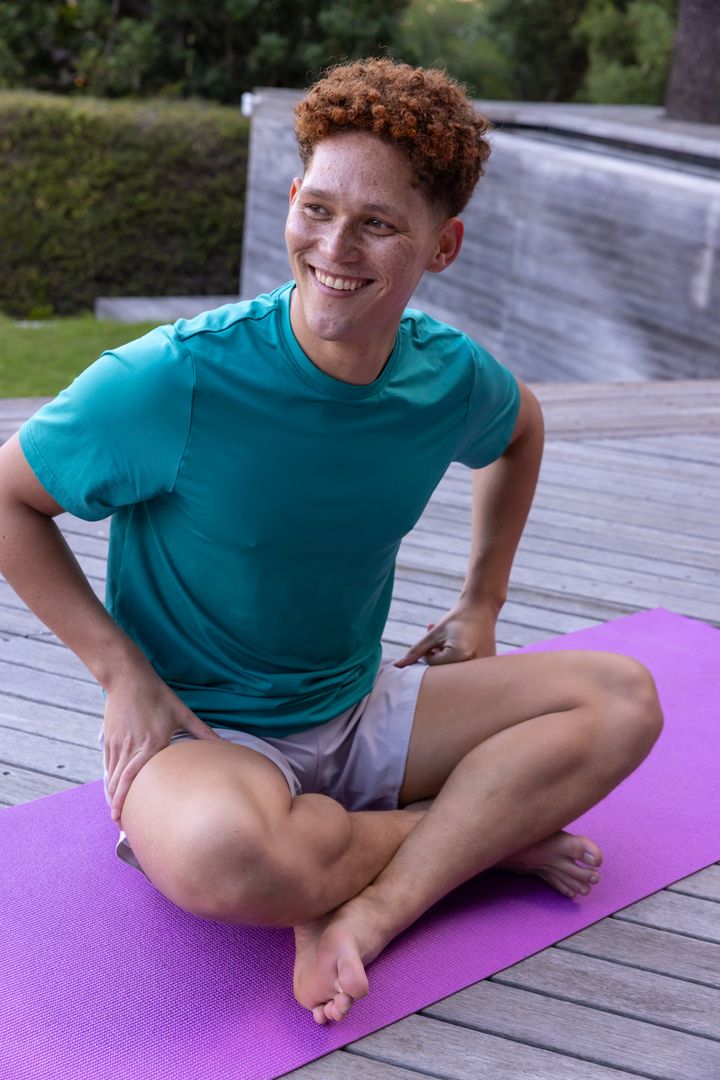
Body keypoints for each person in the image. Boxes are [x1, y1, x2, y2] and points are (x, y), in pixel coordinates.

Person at [0, 58, 663, 1026]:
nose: (334, 249)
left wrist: (484, 601)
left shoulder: (445, 376)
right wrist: (120, 671)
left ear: (445, 246)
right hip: (206, 736)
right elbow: (8, 498)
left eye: (379, 224)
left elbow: (519, 432)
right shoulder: (174, 379)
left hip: (360, 708)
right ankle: (468, 839)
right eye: (315, 208)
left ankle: (374, 903)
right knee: (227, 857)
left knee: (623, 701)